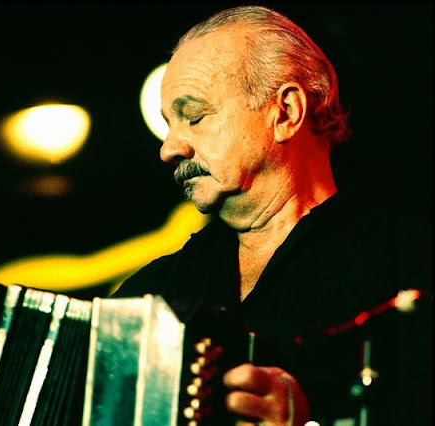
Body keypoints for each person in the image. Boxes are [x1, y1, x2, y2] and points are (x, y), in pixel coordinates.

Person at [114, 5, 432, 425]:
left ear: (285, 112)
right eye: (169, 124)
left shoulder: (411, 262)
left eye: (194, 116)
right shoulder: (150, 294)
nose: (169, 149)